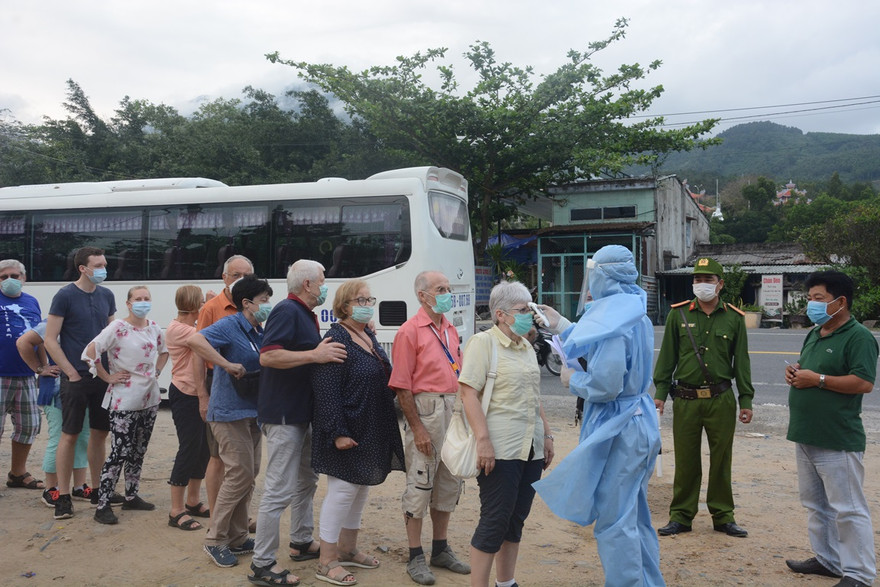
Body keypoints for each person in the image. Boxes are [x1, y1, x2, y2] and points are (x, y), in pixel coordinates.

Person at [533, 245, 665, 586]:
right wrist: (561, 323)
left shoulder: (615, 322)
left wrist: (572, 378)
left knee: (615, 520)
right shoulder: (633, 312)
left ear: (604, 276)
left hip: (620, 427)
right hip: (639, 421)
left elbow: (605, 384)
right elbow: (597, 331)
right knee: (634, 516)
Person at [249, 260, 346, 587]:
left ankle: (301, 541)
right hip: (283, 416)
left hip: (301, 414)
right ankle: (262, 564)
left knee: (307, 481)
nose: (324, 285)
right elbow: (268, 356)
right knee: (277, 490)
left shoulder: (304, 314)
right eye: (322, 280)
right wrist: (313, 356)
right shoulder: (286, 311)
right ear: (307, 284)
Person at [458, 280, 556, 587]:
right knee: (495, 520)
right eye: (523, 309)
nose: (530, 314)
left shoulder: (526, 346)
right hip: (500, 448)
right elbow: (468, 394)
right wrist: (483, 441)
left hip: (530, 447)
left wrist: (547, 435)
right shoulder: (483, 343)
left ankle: (506, 582)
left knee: (515, 520)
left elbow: (533, 395)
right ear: (501, 314)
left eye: (531, 308)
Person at [783, 271, 878, 587]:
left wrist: (817, 380)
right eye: (809, 298)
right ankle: (828, 560)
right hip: (806, 433)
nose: (811, 304)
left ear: (840, 302)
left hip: (837, 437)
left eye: (818, 299)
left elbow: (863, 382)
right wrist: (797, 373)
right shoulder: (816, 333)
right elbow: (811, 369)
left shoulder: (859, 337)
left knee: (848, 509)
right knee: (815, 504)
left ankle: (860, 574)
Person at [310, 279, 405, 587]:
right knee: (342, 492)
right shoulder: (336, 338)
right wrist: (337, 432)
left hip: (370, 425)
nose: (367, 305)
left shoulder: (367, 336)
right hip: (347, 428)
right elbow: (326, 392)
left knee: (360, 489)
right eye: (360, 300)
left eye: (369, 299)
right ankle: (326, 560)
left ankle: (348, 548)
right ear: (345, 305)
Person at [653, 256, 754, 538]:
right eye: (697, 279)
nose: (701, 284)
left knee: (721, 459)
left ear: (720, 284)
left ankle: (723, 516)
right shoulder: (679, 314)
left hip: (721, 399)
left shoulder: (734, 318)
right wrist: (660, 393)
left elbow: (742, 363)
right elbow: (667, 358)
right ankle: (681, 516)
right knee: (686, 460)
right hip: (685, 399)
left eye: (708, 279)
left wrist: (746, 400)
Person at [389, 270, 471, 585]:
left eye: (448, 288)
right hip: (427, 410)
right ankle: (415, 555)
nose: (447, 293)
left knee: (449, 481)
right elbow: (402, 386)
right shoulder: (409, 332)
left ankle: (441, 548)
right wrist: (418, 429)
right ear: (423, 295)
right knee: (420, 483)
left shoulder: (450, 328)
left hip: (452, 408)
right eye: (441, 289)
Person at [188, 276, 272, 569]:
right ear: (247, 303)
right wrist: (224, 364)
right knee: (239, 473)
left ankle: (237, 536)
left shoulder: (258, 329)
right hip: (227, 411)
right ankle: (215, 539)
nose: (267, 305)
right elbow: (194, 340)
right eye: (264, 300)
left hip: (252, 411)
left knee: (250, 473)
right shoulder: (230, 324)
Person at [83, 285, 169, 524]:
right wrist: (106, 376)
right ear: (128, 303)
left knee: (138, 451)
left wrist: (157, 371)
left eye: (147, 298)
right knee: (118, 453)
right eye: (138, 299)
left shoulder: (153, 327)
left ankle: (131, 496)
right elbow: (91, 351)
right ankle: (103, 504)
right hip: (124, 400)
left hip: (149, 399)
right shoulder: (117, 327)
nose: (143, 302)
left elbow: (164, 351)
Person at [44, 246, 117, 520]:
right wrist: (70, 372)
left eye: (104, 264)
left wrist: (113, 373)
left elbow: (112, 335)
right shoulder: (64, 295)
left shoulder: (106, 295)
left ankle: (97, 489)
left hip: (102, 376)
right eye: (98, 265)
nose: (104, 269)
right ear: (82, 268)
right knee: (70, 435)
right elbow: (51, 338)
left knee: (100, 433)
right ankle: (63, 496)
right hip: (75, 377)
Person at [197, 254, 255, 525]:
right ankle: (215, 514)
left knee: (246, 465)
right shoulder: (213, 307)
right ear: (224, 278)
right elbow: (197, 350)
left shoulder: (255, 310)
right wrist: (202, 395)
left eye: (247, 275)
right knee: (218, 457)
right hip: (218, 383)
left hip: (246, 390)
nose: (241, 280)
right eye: (236, 275)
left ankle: (236, 522)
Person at [16, 321, 90, 509]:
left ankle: (80, 486)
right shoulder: (52, 322)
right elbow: (23, 342)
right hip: (56, 391)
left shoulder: (90, 318)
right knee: (59, 438)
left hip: (83, 388)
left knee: (82, 437)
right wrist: (40, 369)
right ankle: (51, 488)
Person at [166, 285, 210, 531]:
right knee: (188, 448)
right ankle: (176, 509)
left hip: (195, 392)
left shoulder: (189, 327)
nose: (205, 304)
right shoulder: (179, 329)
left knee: (202, 449)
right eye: (202, 301)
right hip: (185, 394)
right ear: (194, 304)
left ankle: (192, 501)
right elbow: (204, 339)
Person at [0, 259, 45, 492]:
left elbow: (40, 336)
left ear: (24, 278)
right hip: (0, 374)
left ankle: (17, 474)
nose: (10, 280)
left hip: (26, 375)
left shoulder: (32, 301)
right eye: (3, 276)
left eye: (15, 276)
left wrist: (43, 368)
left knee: (29, 426)